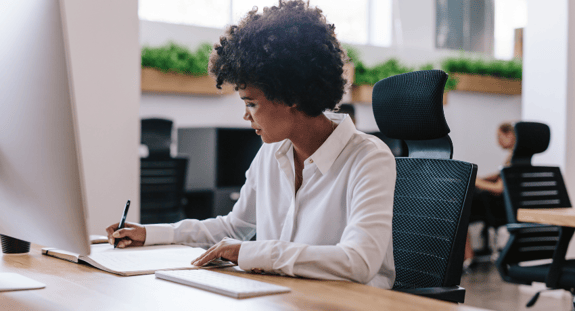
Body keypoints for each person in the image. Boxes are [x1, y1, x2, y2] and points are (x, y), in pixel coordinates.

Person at [107, 0, 396, 288]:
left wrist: (253, 252)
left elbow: (358, 262)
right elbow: (234, 227)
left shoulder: (368, 159)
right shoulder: (272, 152)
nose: (246, 115)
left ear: (290, 94)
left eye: (252, 103)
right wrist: (151, 234)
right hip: (285, 298)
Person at [464, 122, 515, 266]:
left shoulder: (514, 159)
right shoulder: (518, 157)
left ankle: (468, 258)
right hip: (504, 204)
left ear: (509, 135)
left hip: (501, 208)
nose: (497, 141)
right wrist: (481, 178)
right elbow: (501, 175)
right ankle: (468, 257)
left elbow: (499, 188)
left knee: (460, 208)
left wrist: (476, 181)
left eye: (499, 136)